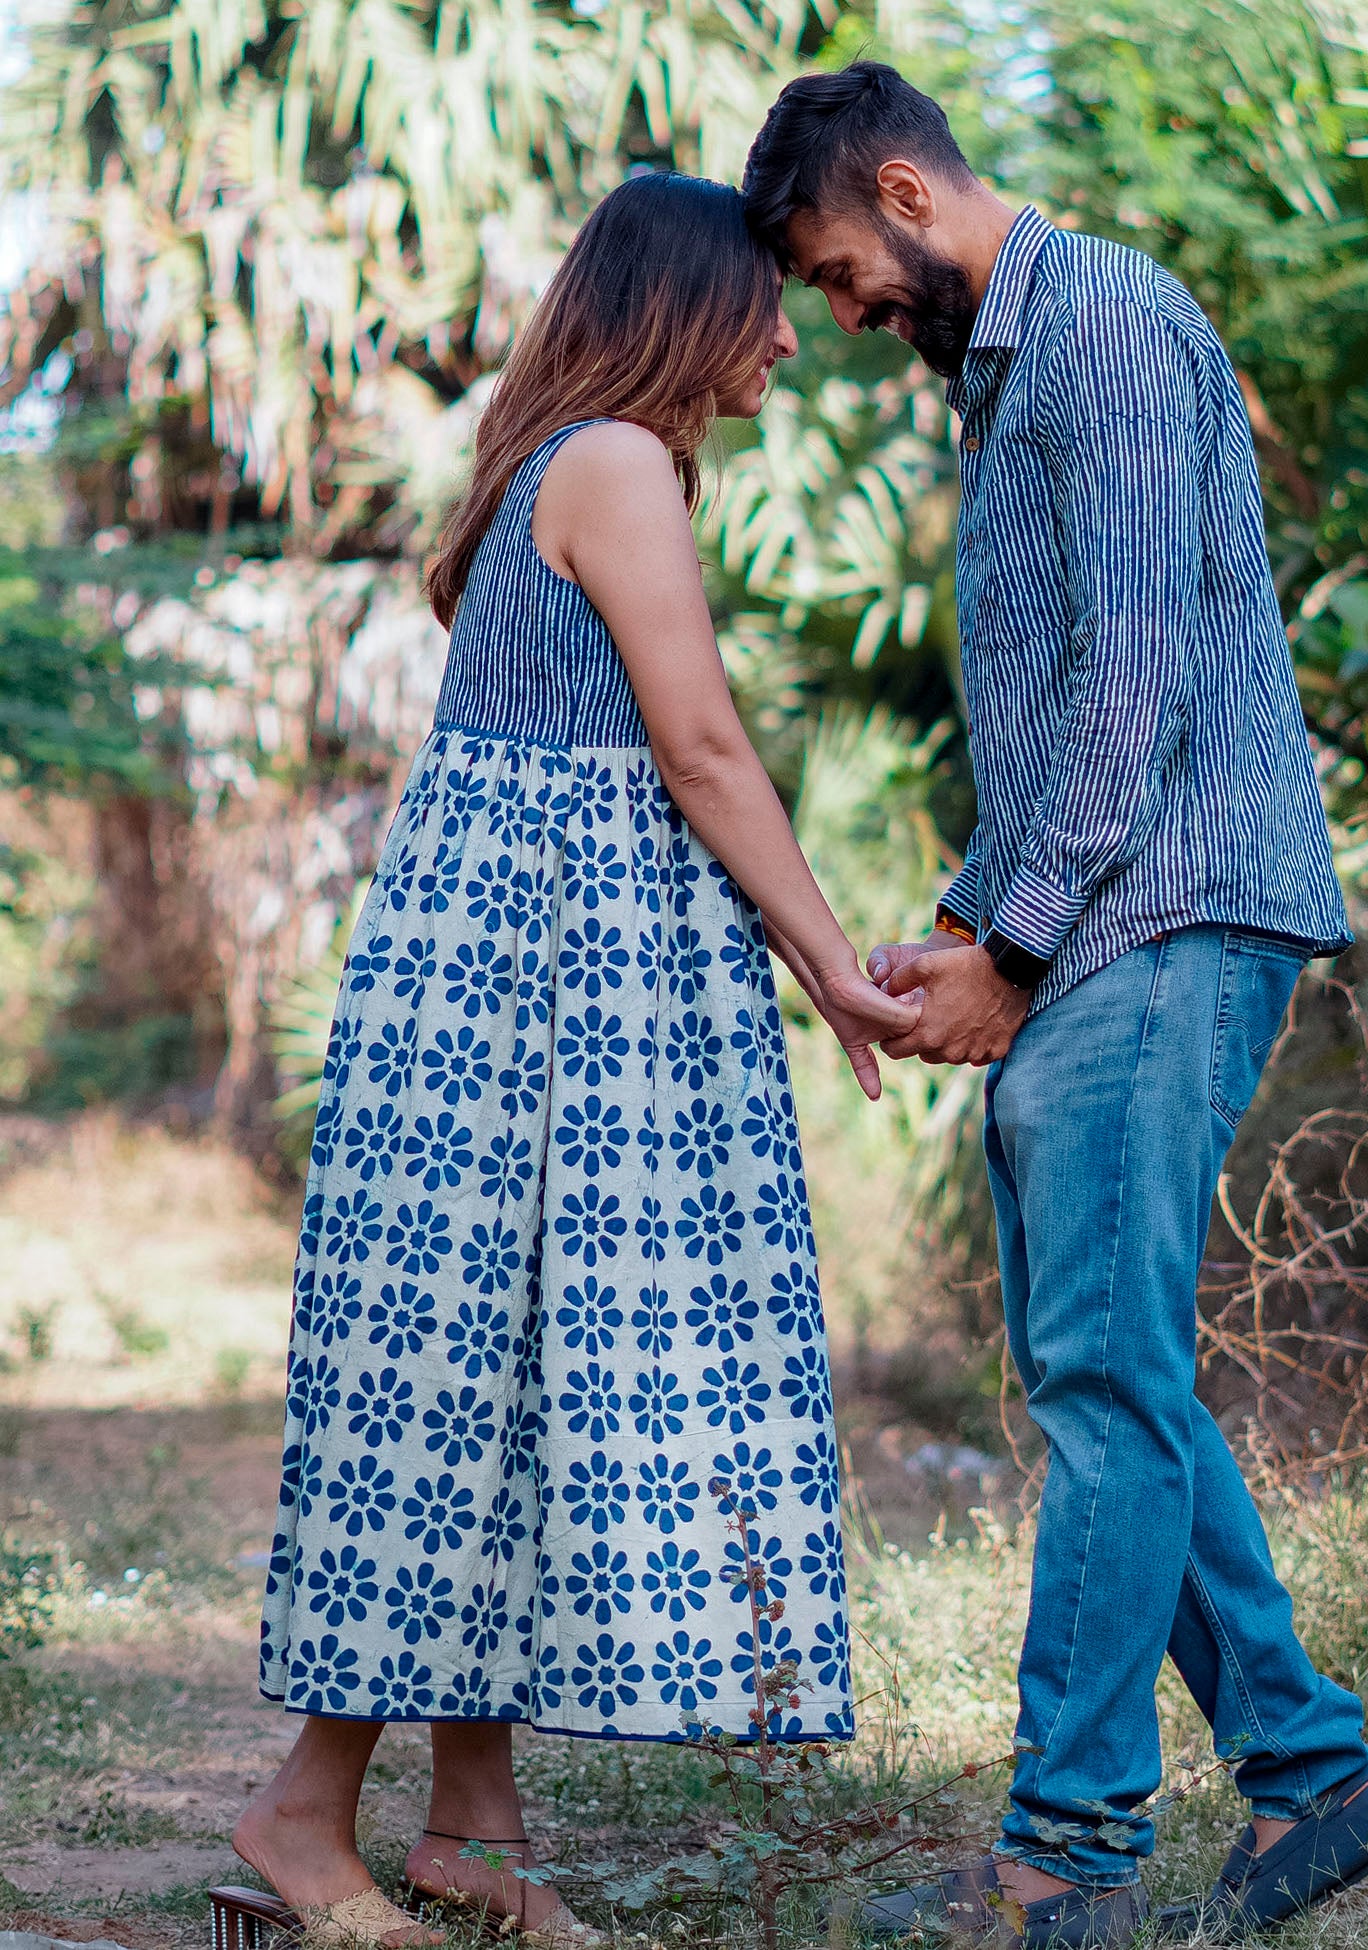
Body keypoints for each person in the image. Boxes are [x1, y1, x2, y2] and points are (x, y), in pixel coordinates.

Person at [742, 62, 1368, 1950]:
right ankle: (1313, 1774)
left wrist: (1016, 949)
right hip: (1107, 919)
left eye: (839, 271)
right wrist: (969, 925)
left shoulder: (1103, 321)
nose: (844, 316)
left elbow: (1134, 679)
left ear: (904, 188)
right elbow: (1067, 716)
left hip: (1167, 915)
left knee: (1107, 1385)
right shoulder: (1012, 370)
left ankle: (1066, 1858)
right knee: (1107, 1373)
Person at [225, 172, 917, 1950]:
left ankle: (476, 1825)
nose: (789, 341)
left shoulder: (572, 458)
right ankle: (303, 1811)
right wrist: (835, 966)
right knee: (451, 1384)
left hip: (528, 980)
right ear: (685, 309)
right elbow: (701, 747)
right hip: (529, 985)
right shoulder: (613, 462)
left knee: (504, 1378)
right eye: (764, 308)